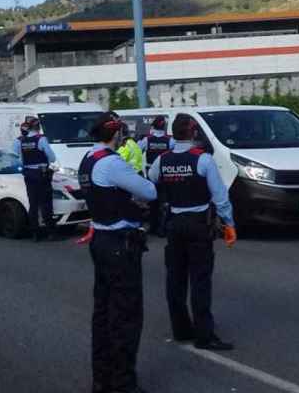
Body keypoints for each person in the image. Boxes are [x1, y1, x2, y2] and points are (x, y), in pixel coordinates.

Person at [79, 111, 158, 393]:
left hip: (100, 238)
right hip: (119, 243)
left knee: (102, 314)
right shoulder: (112, 163)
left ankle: (102, 379)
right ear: (115, 134)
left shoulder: (88, 160)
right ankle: (124, 383)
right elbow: (149, 191)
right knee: (125, 315)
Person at [149, 114, 237, 351]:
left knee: (175, 279)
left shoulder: (163, 160)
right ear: (193, 132)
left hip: (174, 223)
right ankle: (204, 335)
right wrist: (229, 224)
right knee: (200, 280)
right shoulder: (203, 159)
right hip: (198, 224)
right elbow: (220, 197)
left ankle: (181, 329)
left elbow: (152, 179)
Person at [12, 116, 57, 241]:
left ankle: (35, 234)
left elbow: (14, 158)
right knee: (46, 203)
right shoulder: (41, 139)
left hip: (28, 174)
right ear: (38, 127)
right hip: (42, 174)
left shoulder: (20, 141)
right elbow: (52, 158)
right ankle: (50, 232)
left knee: (33, 204)